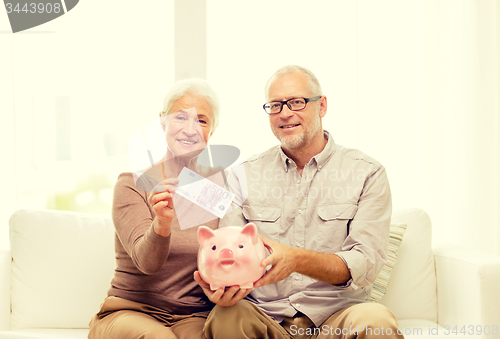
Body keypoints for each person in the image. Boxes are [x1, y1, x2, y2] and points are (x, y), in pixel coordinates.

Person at [195, 65, 404, 339]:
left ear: (322, 106)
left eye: (297, 102)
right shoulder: (242, 174)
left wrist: (297, 261)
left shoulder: (367, 172)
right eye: (275, 105)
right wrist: (222, 287)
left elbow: (365, 263)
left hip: (336, 316)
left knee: (376, 321)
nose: (285, 113)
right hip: (265, 315)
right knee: (225, 317)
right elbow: (228, 251)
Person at [88, 78, 223, 339]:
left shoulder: (217, 190)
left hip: (192, 316)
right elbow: (146, 263)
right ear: (162, 122)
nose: (190, 129)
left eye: (202, 121)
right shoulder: (132, 184)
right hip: (130, 312)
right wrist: (161, 224)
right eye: (181, 117)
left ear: (212, 131)